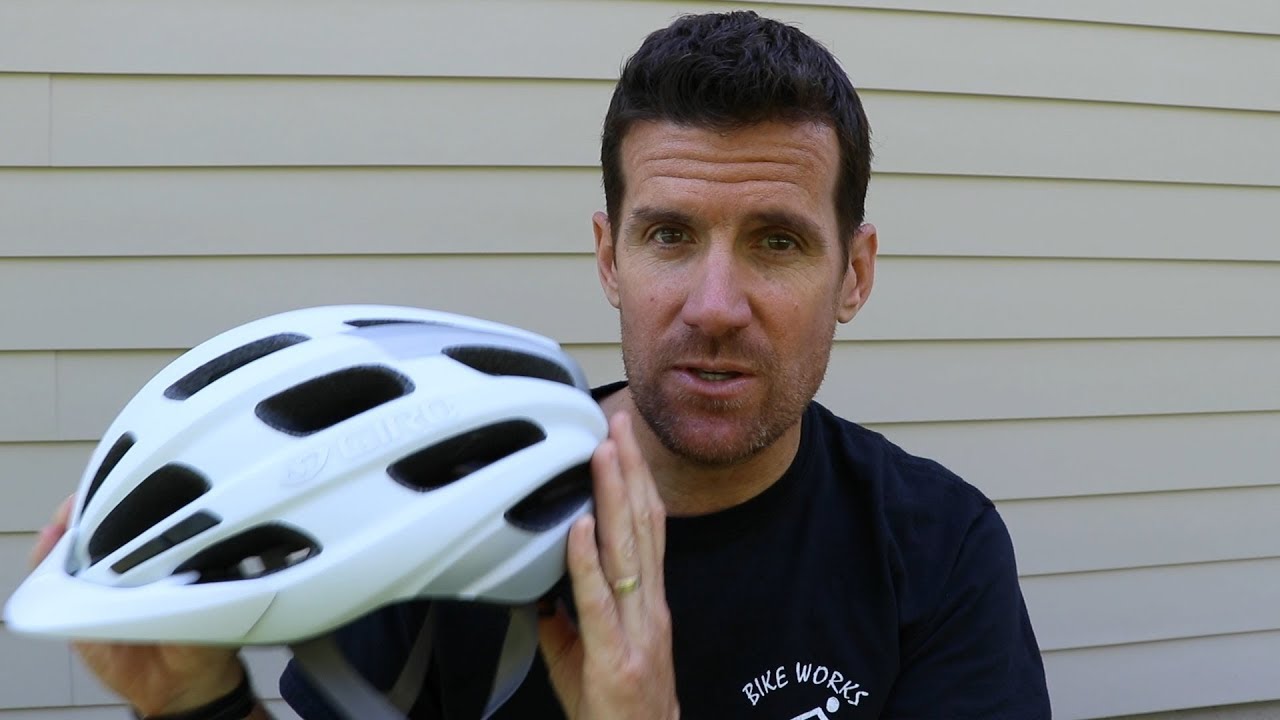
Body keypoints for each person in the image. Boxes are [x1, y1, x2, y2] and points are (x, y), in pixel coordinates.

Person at [29, 10, 1050, 719]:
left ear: (853, 273)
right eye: (668, 236)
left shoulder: (935, 549)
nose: (713, 305)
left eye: (776, 242)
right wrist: (197, 705)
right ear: (609, 258)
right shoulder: (437, 505)